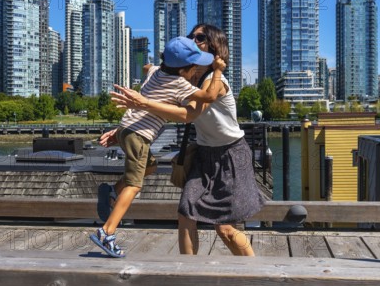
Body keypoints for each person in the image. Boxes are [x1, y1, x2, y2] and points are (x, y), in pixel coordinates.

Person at [107, 24, 265, 257]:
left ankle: (255, 273)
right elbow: (161, 103)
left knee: (225, 228)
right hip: (204, 154)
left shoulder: (215, 81)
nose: (193, 39)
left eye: (200, 37)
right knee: (186, 213)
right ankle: (187, 271)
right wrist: (124, 129)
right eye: (191, 36)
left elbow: (187, 114)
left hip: (231, 154)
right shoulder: (182, 78)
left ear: (214, 46)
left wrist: (142, 102)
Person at [90, 36, 227, 257]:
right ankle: (106, 232)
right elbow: (210, 95)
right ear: (183, 70)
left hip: (125, 128)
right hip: (139, 135)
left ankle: (111, 192)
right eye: (194, 67)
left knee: (149, 168)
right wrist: (218, 70)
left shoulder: (155, 71)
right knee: (134, 186)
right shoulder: (179, 84)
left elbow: (146, 66)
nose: (196, 70)